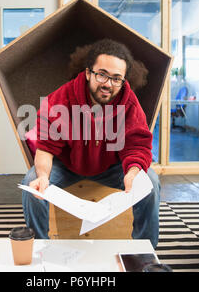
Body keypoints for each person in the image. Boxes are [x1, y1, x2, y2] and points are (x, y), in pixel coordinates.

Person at [21, 39, 161, 248]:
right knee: (31, 183)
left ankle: (144, 252)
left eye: (116, 79)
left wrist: (133, 172)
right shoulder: (60, 100)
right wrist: (42, 176)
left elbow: (137, 145)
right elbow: (45, 148)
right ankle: (41, 249)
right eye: (102, 74)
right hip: (67, 167)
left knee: (150, 181)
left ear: (123, 81)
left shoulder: (129, 103)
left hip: (112, 168)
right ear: (88, 73)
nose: (107, 84)